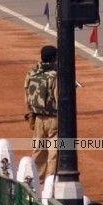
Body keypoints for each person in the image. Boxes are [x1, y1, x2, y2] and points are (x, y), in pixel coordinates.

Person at [24, 44, 59, 177]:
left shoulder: (32, 73)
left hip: (37, 118)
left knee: (38, 150)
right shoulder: (54, 76)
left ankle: (35, 182)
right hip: (54, 119)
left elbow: (27, 97)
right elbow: (58, 97)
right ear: (54, 58)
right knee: (53, 152)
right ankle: (50, 183)